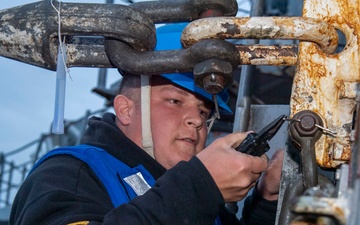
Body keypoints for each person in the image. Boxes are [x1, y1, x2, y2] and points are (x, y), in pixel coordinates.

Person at [9, 23, 284, 225]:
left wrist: (264, 203)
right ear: (125, 110)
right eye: (175, 101)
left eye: (204, 110)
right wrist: (199, 188)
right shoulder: (70, 174)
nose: (197, 119)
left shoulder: (195, 195)